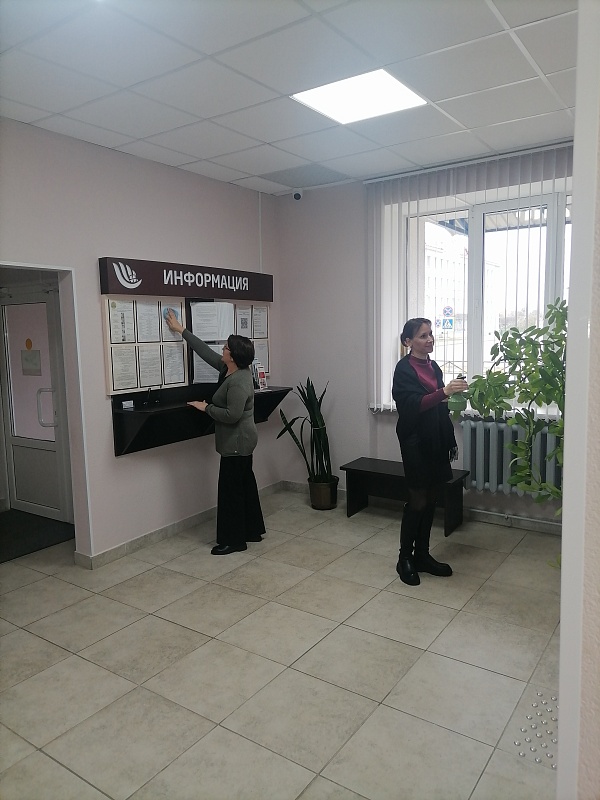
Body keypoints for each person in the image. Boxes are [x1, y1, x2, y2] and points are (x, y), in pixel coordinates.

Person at [165, 309, 265, 555]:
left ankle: (234, 541)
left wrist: (206, 407)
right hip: (241, 441)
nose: (222, 349)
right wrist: (181, 330)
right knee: (244, 484)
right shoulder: (228, 368)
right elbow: (205, 351)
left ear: (234, 356)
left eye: (226, 347)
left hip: (237, 443)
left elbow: (232, 415)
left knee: (231, 491)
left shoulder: (239, 381)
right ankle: (251, 531)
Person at [392, 318, 468, 585]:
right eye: (423, 336)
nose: (430, 339)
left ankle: (422, 555)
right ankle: (405, 558)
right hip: (415, 441)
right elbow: (413, 405)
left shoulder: (433, 366)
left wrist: (454, 394)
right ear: (408, 342)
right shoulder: (403, 369)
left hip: (436, 438)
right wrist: (444, 391)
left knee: (433, 496)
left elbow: (438, 400)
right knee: (418, 500)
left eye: (431, 334)